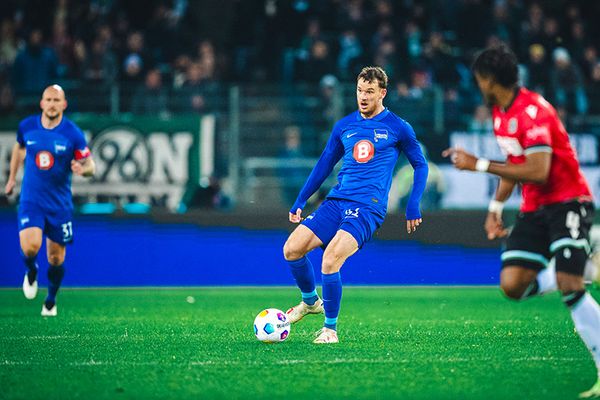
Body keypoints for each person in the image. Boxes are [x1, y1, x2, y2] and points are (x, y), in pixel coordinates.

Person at [443, 45, 600, 398]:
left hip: (567, 201)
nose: (477, 85)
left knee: (570, 287)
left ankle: (576, 280)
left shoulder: (533, 111)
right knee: (512, 285)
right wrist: (495, 207)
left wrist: (478, 164)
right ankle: (580, 269)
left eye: (479, 79)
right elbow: (515, 166)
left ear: (488, 79)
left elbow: (538, 170)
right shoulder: (501, 113)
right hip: (534, 208)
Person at [283, 66, 428, 344]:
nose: (363, 96)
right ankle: (310, 302)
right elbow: (325, 163)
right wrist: (301, 199)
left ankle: (330, 330)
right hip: (336, 201)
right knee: (291, 249)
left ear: (382, 93)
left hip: (367, 207)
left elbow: (420, 165)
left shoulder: (398, 127)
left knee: (330, 260)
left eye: (370, 92)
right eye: (360, 90)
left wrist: (413, 205)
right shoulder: (345, 125)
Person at [4, 85, 96, 316]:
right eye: (49, 99)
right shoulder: (27, 126)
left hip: (59, 205)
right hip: (31, 199)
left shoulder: (73, 134)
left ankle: (51, 300)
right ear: (42, 103)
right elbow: (19, 148)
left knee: (55, 258)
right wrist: (12, 178)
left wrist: (83, 170)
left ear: (64, 104)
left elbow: (90, 165)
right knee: (30, 247)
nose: (52, 104)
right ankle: (31, 271)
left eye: (57, 100)